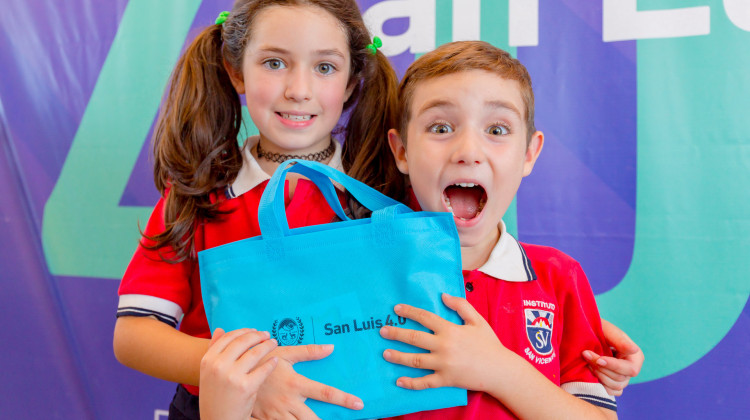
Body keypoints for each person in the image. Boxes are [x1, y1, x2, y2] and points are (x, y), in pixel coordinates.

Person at [112, 0, 399, 418]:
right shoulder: (196, 195)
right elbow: (134, 334)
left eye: (324, 67)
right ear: (235, 71)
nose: (299, 89)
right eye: (274, 62)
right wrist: (251, 376)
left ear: (352, 81)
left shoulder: (386, 194)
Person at [366, 40, 630, 418]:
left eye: (497, 129)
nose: (468, 150)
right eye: (440, 127)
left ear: (529, 154)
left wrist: (498, 369)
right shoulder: (366, 268)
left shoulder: (558, 279)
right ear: (402, 151)